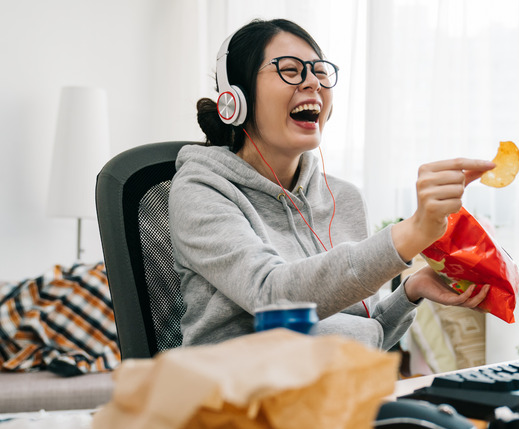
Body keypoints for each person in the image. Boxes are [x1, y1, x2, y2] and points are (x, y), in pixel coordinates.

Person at [169, 18, 495, 350]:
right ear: (236, 99)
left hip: (338, 389)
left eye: (320, 71)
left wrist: (410, 292)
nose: (313, 82)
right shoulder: (201, 191)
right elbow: (271, 296)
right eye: (291, 71)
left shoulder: (344, 198)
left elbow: (368, 336)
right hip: (243, 395)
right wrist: (410, 233)